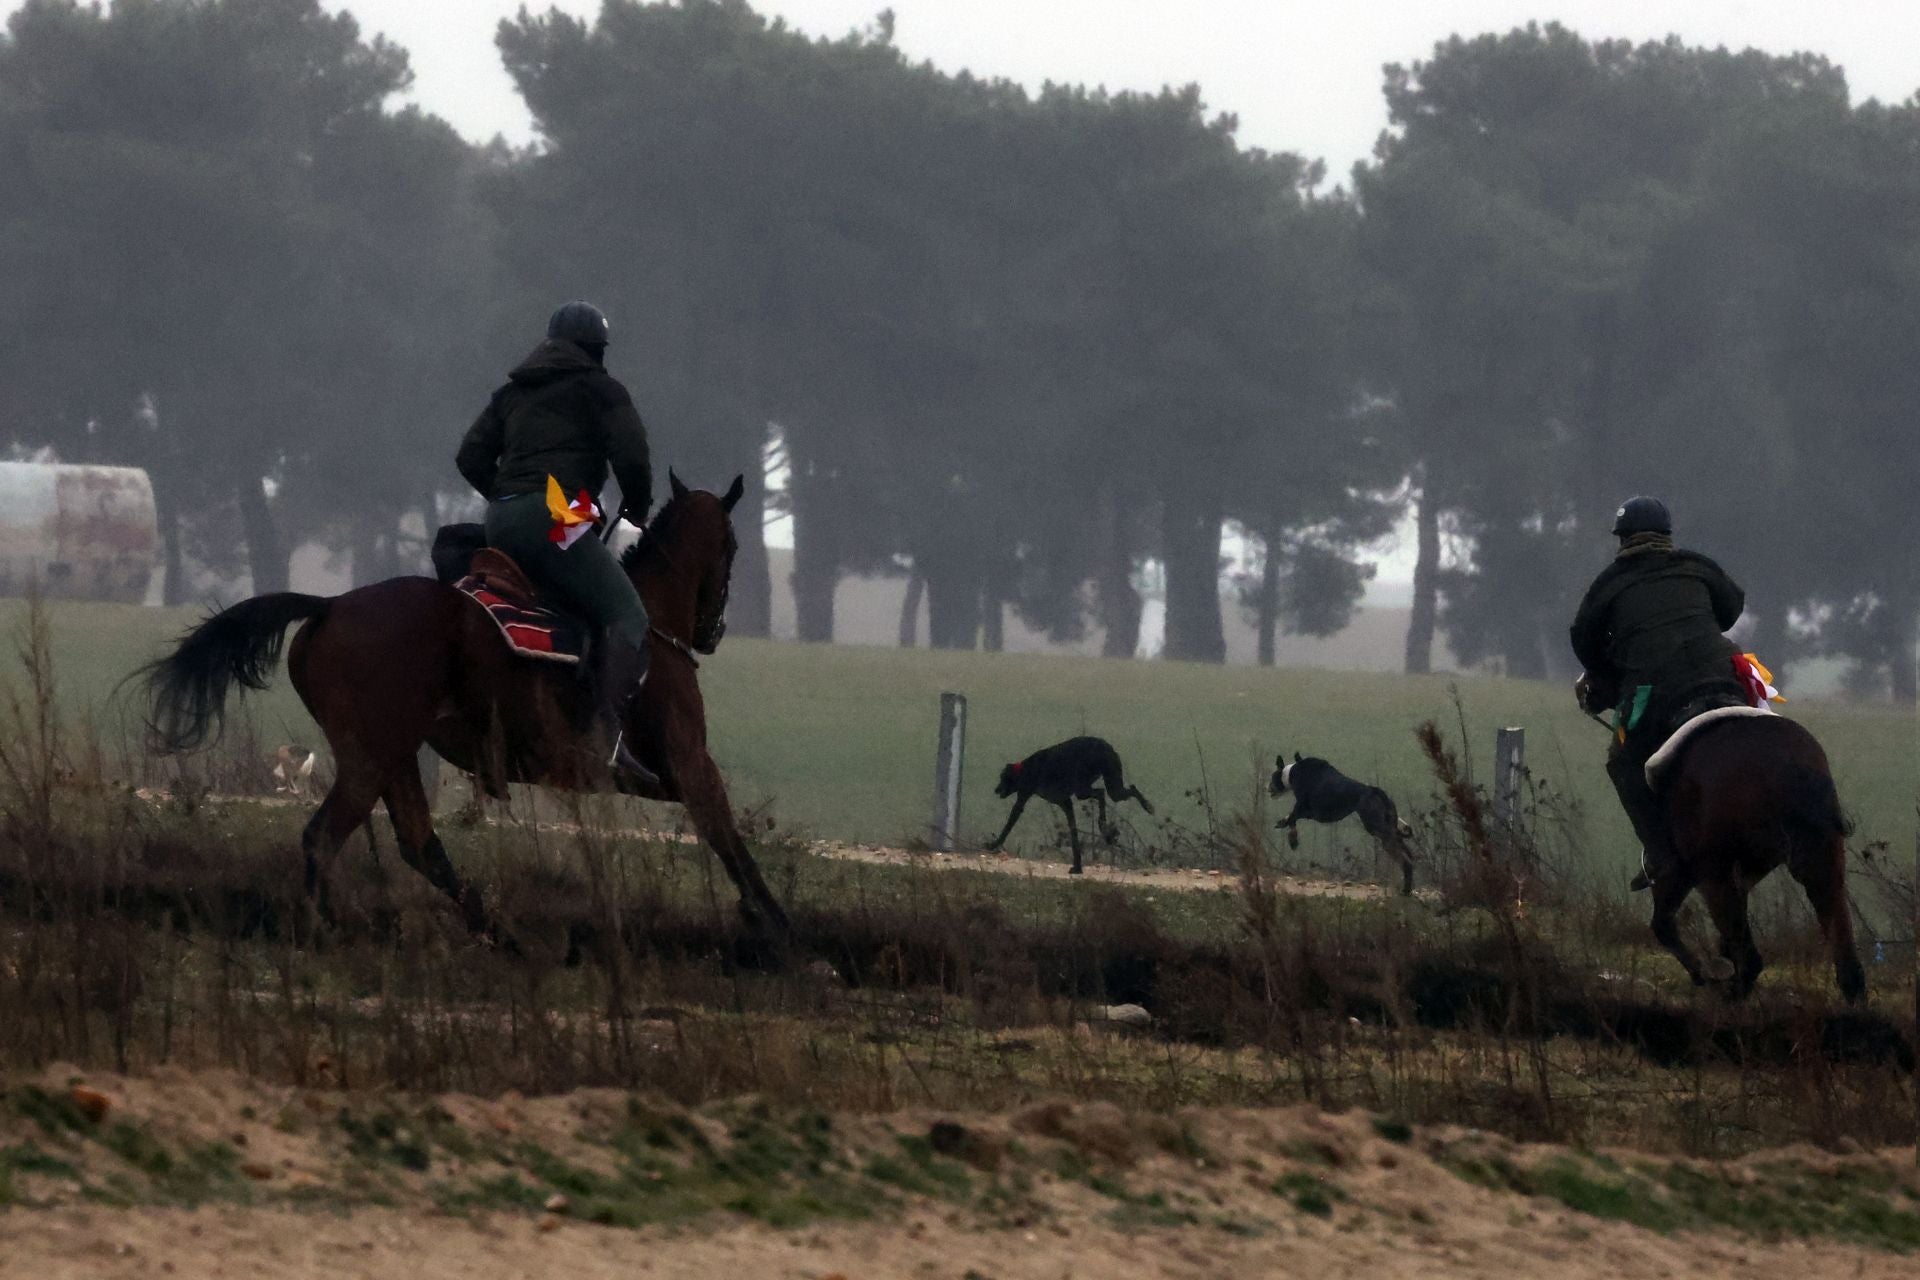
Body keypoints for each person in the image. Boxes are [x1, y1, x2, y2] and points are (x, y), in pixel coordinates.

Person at [456, 301, 658, 789]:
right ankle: (605, 739)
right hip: (558, 515)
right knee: (627, 614)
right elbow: (632, 455)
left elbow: (469, 457)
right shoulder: (601, 389)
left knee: (563, 603)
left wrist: (509, 498)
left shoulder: (511, 394)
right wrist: (637, 504)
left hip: (500, 518)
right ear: (595, 349)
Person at [1569, 497, 1746, 893]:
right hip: (1726, 675)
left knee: (1622, 762)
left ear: (1622, 539)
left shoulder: (1610, 582)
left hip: (1656, 689)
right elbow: (1732, 607)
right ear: (1667, 534)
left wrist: (1612, 668)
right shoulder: (1698, 565)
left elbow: (1584, 642)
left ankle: (1662, 858)